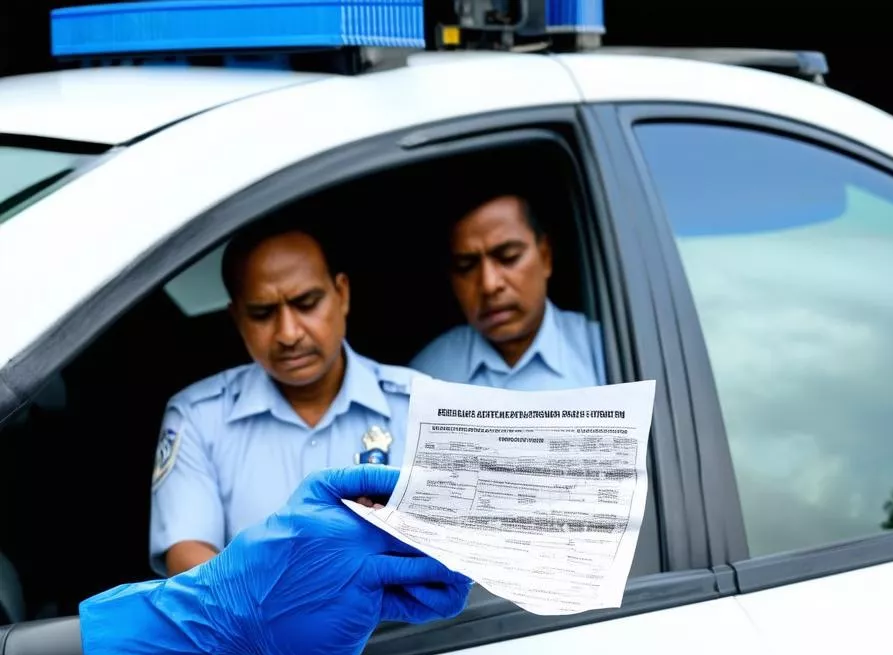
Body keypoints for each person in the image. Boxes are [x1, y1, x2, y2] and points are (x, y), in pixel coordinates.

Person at [150, 216, 424, 577]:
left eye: (306, 303)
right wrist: (283, 597)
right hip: (256, 617)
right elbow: (187, 557)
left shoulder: (422, 404)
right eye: (262, 313)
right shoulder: (199, 418)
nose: (289, 333)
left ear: (342, 294)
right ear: (236, 317)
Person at [84, 466, 472, 655]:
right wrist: (230, 607)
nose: (289, 344)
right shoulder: (202, 412)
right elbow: (185, 550)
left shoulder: (411, 392)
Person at [410, 192, 606, 390]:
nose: (489, 284)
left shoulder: (603, 352)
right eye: (466, 267)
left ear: (545, 257)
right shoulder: (428, 377)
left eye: (508, 257)